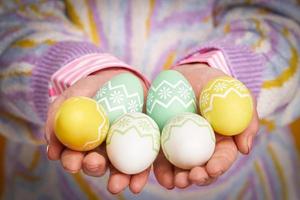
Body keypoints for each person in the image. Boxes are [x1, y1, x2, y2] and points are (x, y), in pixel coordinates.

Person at [0, 0, 299, 199]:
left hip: (245, 186)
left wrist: (228, 68)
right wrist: (68, 73)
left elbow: (283, 25)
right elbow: (11, 24)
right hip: (60, 187)